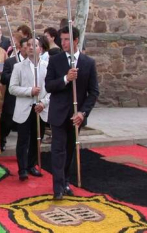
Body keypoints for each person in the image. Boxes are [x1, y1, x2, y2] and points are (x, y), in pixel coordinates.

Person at [45, 26, 99, 200]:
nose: (64, 43)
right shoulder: (55, 60)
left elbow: (94, 92)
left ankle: (66, 180)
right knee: (58, 150)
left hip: (76, 115)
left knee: (69, 150)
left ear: (76, 40)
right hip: (58, 113)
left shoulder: (88, 63)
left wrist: (83, 113)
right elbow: (49, 86)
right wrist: (65, 79)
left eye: (67, 39)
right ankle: (58, 187)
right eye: (62, 39)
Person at [9, 38, 49, 181]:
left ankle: (32, 165)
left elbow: (51, 89)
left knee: (37, 138)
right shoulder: (18, 67)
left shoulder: (47, 66)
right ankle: (23, 169)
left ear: (41, 49)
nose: (32, 47)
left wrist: (44, 103)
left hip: (40, 108)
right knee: (23, 140)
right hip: (24, 108)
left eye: (35, 45)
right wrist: (29, 91)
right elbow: (12, 88)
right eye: (29, 45)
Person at [0, 37, 29, 151]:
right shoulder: (10, 62)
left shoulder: (33, 63)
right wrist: (16, 74)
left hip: (26, 99)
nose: (28, 49)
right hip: (12, 98)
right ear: (20, 48)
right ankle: (2, 139)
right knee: (7, 122)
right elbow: (4, 79)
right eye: (26, 47)